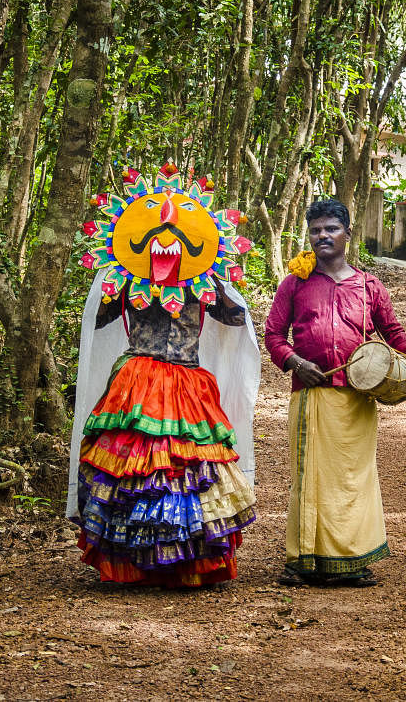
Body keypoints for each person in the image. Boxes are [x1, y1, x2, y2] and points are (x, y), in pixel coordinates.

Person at [66, 168, 260, 587]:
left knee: (181, 468)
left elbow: (235, 317)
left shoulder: (203, 282)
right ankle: (142, 560)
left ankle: (179, 561)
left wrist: (216, 278)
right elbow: (98, 321)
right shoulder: (126, 276)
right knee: (140, 471)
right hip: (140, 378)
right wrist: (116, 279)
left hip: (183, 380)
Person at [264, 198, 406, 587]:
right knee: (310, 479)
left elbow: (393, 332)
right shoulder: (295, 283)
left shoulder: (369, 286)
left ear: (347, 234)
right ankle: (304, 562)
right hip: (312, 397)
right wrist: (294, 363)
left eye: (331, 229)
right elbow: (272, 335)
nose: (323, 236)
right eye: (317, 230)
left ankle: (351, 560)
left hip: (358, 400)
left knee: (354, 479)